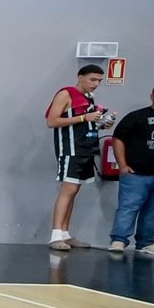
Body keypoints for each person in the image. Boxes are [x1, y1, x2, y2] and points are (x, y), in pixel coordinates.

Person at [44, 64, 113, 250]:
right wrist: (84, 118)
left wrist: (101, 123)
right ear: (80, 76)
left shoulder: (88, 98)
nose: (96, 84)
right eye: (92, 79)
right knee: (68, 189)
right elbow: (52, 121)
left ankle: (65, 234)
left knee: (74, 191)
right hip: (70, 149)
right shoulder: (66, 94)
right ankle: (56, 235)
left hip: (85, 149)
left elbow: (85, 123)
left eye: (99, 80)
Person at [107, 87, 154, 255]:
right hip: (135, 174)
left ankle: (146, 243)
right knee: (128, 207)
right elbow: (118, 138)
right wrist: (122, 165)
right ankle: (119, 240)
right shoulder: (136, 117)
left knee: (152, 211)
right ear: (151, 96)